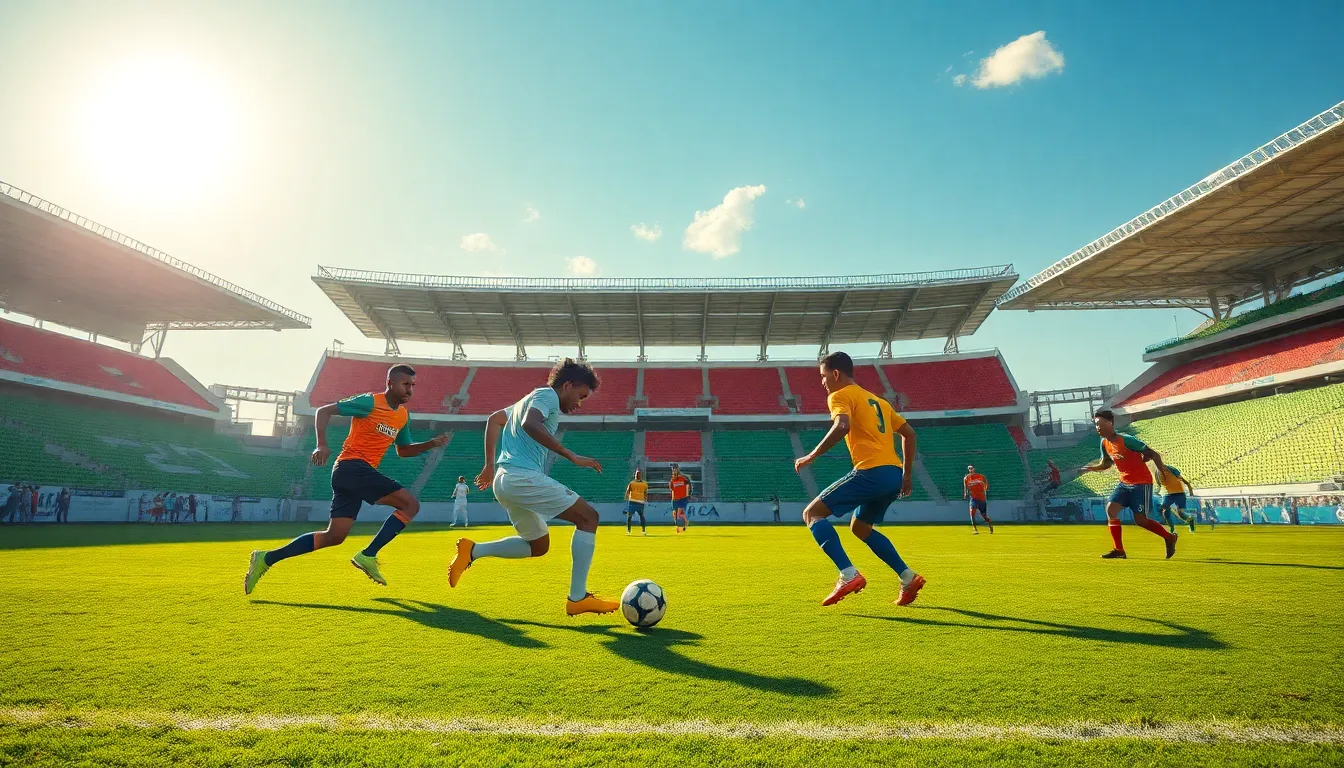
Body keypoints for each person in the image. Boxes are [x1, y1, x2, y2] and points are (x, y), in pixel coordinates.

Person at [244, 364, 448, 594]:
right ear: (390, 383)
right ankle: (368, 555)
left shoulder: (402, 416)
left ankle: (266, 558)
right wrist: (321, 443)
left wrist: (429, 444)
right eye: (405, 384)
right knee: (410, 505)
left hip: (353, 474)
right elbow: (323, 411)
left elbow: (403, 451)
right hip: (352, 467)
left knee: (335, 536)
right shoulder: (370, 402)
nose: (410, 390)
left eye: (413, 385)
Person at [447, 358, 617, 616]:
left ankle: (473, 551)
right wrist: (570, 455)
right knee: (588, 517)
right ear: (567, 385)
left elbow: (494, 419)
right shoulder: (547, 395)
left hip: (505, 481)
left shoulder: (527, 399)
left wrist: (490, 466)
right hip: (521, 477)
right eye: (580, 396)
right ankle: (578, 598)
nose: (579, 404)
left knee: (538, 546)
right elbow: (529, 423)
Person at [793, 351, 925, 607]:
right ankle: (907, 577)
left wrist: (811, 455)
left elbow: (842, 425)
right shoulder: (879, 402)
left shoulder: (840, 395)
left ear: (835, 374)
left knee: (812, 514)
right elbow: (909, 434)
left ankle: (848, 574)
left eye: (823, 376)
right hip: (893, 474)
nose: (822, 383)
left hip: (871, 472)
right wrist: (907, 475)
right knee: (861, 528)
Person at [1078, 409, 1177, 560]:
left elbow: (1153, 454)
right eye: (1095, 425)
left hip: (1141, 483)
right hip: (1124, 482)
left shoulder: (1126, 440)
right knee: (1111, 509)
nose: (1097, 427)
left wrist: (1163, 472)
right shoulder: (1104, 443)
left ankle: (1169, 537)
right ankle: (1119, 550)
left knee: (1141, 521)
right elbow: (1106, 463)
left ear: (1110, 423)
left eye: (1100, 424)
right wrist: (1092, 468)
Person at [1155, 464, 1196, 534]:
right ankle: (1171, 528)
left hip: (1179, 493)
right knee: (1165, 510)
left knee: (1181, 513)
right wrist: (1157, 491)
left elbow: (1184, 481)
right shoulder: (1157, 473)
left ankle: (1190, 520)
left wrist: (1191, 491)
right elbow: (1159, 484)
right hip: (1168, 494)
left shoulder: (1171, 469)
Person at [963, 465, 994, 534]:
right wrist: (965, 494)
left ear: (974, 469)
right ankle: (975, 530)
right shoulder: (966, 478)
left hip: (982, 499)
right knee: (972, 513)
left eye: (971, 468)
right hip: (973, 498)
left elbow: (985, 481)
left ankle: (990, 524)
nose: (970, 470)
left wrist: (986, 487)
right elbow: (965, 487)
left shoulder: (980, 476)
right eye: (969, 469)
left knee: (984, 516)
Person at [624, 470, 648, 535]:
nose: (637, 475)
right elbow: (645, 493)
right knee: (640, 516)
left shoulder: (632, 483)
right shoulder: (644, 484)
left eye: (637, 474)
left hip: (634, 501)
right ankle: (642, 531)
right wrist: (646, 498)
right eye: (637, 474)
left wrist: (626, 497)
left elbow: (628, 491)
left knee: (630, 516)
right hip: (638, 501)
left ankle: (630, 531)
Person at [669, 464, 690, 533]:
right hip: (674, 499)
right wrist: (672, 498)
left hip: (682, 498)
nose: (674, 470)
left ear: (678, 469)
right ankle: (682, 523)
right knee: (674, 514)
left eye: (675, 469)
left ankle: (679, 528)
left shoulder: (684, 479)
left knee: (679, 513)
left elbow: (688, 487)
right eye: (673, 469)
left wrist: (687, 496)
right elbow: (672, 490)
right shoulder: (672, 480)